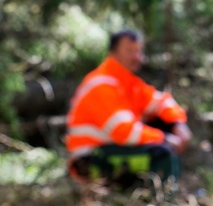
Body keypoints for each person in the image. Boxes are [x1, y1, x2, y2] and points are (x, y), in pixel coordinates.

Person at [66, 29, 192, 186]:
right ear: (113, 53)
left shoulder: (128, 83)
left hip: (113, 149)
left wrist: (177, 124)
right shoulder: (101, 84)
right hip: (90, 159)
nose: (136, 57)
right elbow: (124, 131)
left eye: (139, 51)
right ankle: (162, 205)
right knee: (163, 152)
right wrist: (165, 138)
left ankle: (149, 197)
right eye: (129, 51)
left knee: (164, 123)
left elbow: (160, 101)